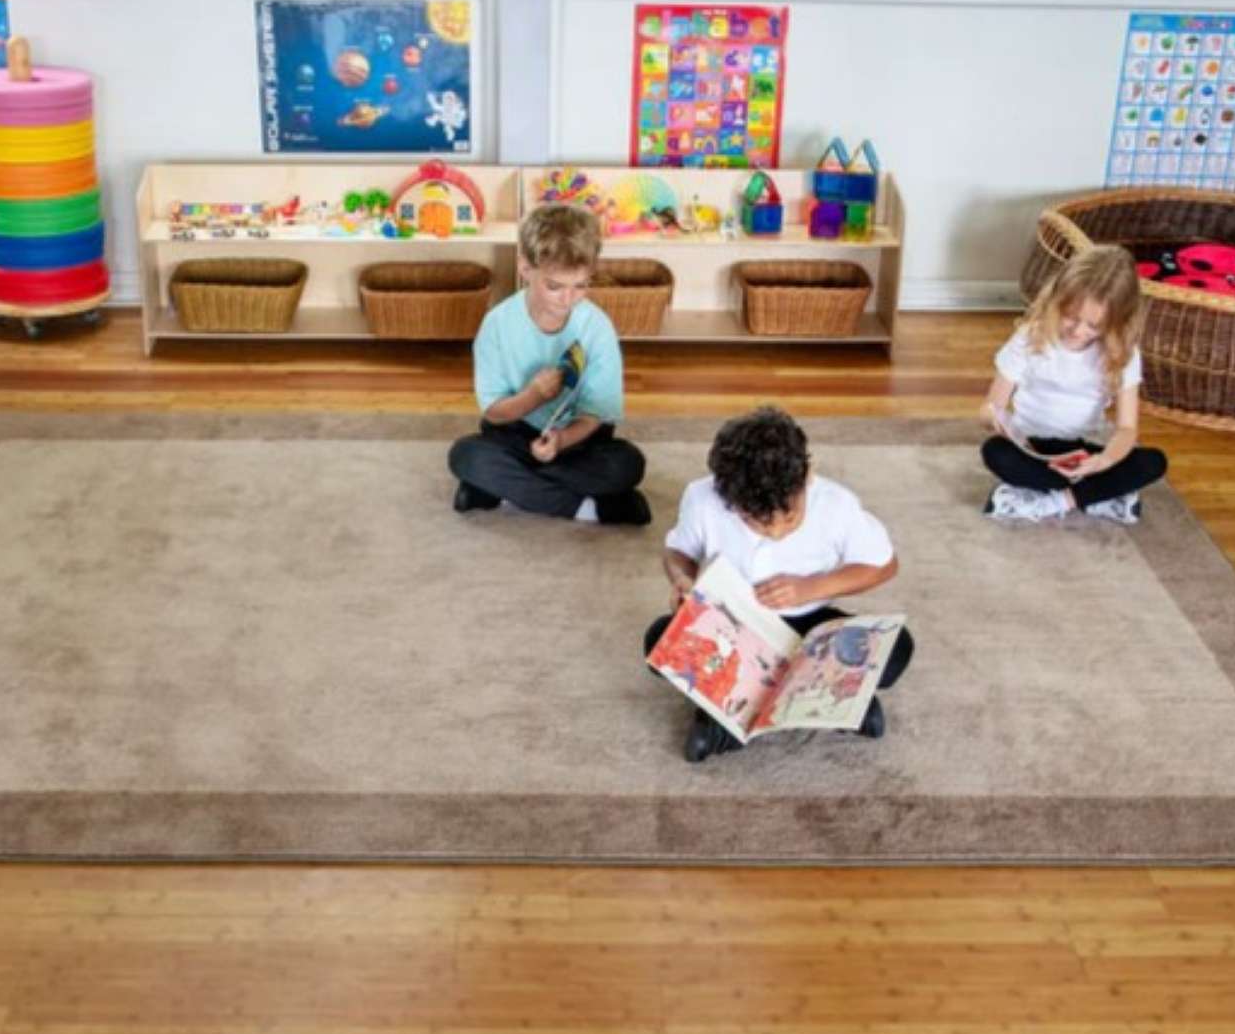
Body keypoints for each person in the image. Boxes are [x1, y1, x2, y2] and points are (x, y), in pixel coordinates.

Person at [642, 406, 914, 762]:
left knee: (896, 648)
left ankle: (730, 715)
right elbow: (678, 551)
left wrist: (812, 588)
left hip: (811, 628)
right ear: (727, 496)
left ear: (808, 475)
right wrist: (682, 579)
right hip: (735, 629)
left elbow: (883, 565)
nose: (774, 531)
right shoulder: (702, 497)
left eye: (789, 515)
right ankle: (831, 701)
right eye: (756, 520)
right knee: (659, 641)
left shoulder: (836, 505)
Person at [447, 203, 650, 524]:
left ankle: (503, 490)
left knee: (627, 464)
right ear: (525, 268)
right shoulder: (497, 324)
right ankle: (588, 509)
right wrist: (534, 396)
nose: (568, 299)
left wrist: (562, 440)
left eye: (580, 285)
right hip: (513, 433)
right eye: (554, 286)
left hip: (579, 441)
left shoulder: (597, 327)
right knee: (466, 455)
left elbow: (595, 414)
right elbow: (494, 412)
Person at [979, 244, 1168, 524]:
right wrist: (993, 418)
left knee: (1153, 462)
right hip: (1032, 446)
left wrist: (1103, 461)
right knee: (995, 452)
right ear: (1056, 300)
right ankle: (1096, 496)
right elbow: (991, 406)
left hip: (1086, 451)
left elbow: (1127, 429)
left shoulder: (1123, 353)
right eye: (1070, 316)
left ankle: (1055, 501)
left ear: (1117, 322)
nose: (1079, 331)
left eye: (1094, 326)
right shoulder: (1030, 338)